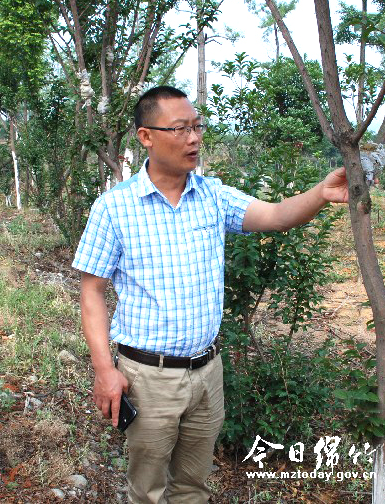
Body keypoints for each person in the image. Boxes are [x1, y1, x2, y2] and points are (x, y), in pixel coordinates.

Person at [72, 85, 349, 503]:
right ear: (146, 136)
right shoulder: (114, 208)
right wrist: (103, 370)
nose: (194, 138)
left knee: (193, 486)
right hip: (148, 377)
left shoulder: (212, 196)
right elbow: (92, 292)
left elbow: (275, 216)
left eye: (197, 127)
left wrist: (322, 193)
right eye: (180, 129)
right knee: (146, 490)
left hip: (207, 372)